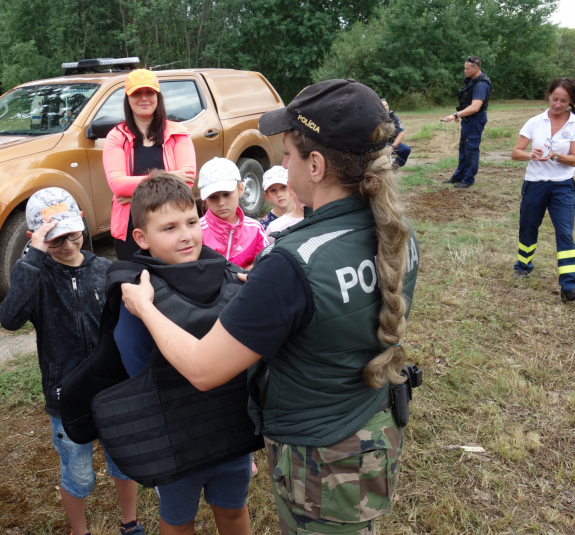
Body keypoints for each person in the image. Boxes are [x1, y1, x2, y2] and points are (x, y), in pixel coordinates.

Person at [120, 79, 420, 535]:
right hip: (373, 435)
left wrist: (146, 307)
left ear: (315, 165)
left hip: (320, 465)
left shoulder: (291, 263)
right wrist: (267, 297)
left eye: (287, 155)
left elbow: (203, 368)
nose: (282, 163)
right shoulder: (397, 233)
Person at [113, 173, 253, 535]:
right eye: (170, 227)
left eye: (192, 222)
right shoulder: (136, 298)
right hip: (176, 441)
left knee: (235, 512)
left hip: (231, 431)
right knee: (177, 521)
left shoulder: (230, 278)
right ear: (141, 239)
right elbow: (136, 368)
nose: (186, 235)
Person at [0, 188, 144, 535]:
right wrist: (32, 258)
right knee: (77, 475)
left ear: (82, 224)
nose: (66, 245)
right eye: (55, 239)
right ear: (37, 239)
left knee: (123, 463)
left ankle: (130, 522)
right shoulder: (36, 278)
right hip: (66, 395)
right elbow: (10, 318)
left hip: (112, 388)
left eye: (72, 234)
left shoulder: (106, 270)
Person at [103, 68, 197, 260]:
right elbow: (117, 184)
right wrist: (171, 177)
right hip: (130, 227)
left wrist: (135, 197)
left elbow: (186, 182)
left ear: (158, 96)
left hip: (170, 227)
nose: (143, 98)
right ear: (128, 99)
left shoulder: (178, 133)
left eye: (149, 92)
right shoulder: (116, 136)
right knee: (134, 281)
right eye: (136, 93)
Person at [510, 77, 575, 301]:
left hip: (563, 185)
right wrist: (530, 154)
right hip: (535, 183)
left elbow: (574, 160)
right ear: (549, 97)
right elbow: (516, 153)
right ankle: (523, 265)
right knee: (528, 227)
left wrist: (555, 155)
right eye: (555, 99)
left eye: (564, 101)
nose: (558, 104)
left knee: (565, 232)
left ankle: (569, 285)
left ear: (571, 101)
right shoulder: (535, 122)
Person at [199, 157, 268, 269]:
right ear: (205, 198)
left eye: (226, 194)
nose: (221, 203)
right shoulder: (197, 231)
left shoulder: (255, 230)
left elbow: (265, 266)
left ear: (241, 189)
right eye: (212, 197)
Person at [442, 56, 492, 189]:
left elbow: (475, 107)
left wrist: (455, 115)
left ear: (476, 68)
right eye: (464, 68)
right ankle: (459, 176)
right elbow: (467, 101)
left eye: (467, 69)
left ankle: (468, 179)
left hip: (475, 120)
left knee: (471, 149)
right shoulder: (472, 80)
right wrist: (461, 113)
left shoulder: (481, 84)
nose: (465, 71)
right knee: (464, 148)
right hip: (468, 120)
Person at [380, 98, 411, 167]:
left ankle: (394, 168)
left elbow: (401, 134)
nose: (385, 108)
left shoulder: (393, 118)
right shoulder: (374, 118)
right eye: (383, 106)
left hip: (391, 144)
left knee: (406, 149)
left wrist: (392, 147)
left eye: (386, 105)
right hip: (378, 145)